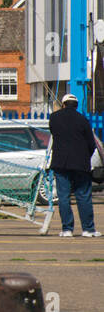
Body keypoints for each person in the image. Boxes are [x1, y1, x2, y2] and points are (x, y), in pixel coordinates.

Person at [49, 92, 100, 237]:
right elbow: (91, 143)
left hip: (60, 163)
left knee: (63, 196)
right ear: (76, 106)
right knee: (83, 196)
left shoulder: (54, 118)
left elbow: (53, 133)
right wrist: (85, 157)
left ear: (63, 104)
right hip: (80, 164)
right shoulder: (83, 119)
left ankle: (67, 229)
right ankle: (88, 229)